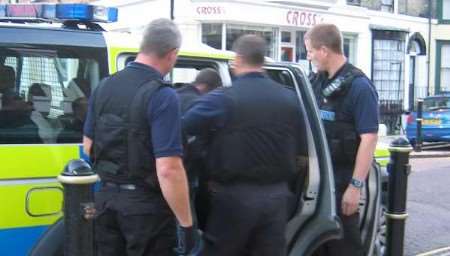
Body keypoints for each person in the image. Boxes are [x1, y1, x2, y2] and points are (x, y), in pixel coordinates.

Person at [83, 18, 199, 256]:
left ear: (143, 47)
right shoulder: (162, 95)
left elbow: (88, 147)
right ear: (172, 53)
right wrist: (187, 225)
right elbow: (168, 169)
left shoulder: (104, 86)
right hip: (146, 211)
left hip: (105, 203)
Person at [183, 34, 305, 256]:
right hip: (277, 198)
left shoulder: (224, 98)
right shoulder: (289, 99)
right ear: (263, 61)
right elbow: (299, 146)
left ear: (237, 59)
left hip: (234, 198)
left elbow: (185, 125)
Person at [304, 24, 379, 256]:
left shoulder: (359, 87)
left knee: (344, 247)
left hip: (343, 181)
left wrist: (355, 188)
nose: (309, 57)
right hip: (319, 182)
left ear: (324, 50)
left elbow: (369, 139)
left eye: (310, 51)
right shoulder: (317, 82)